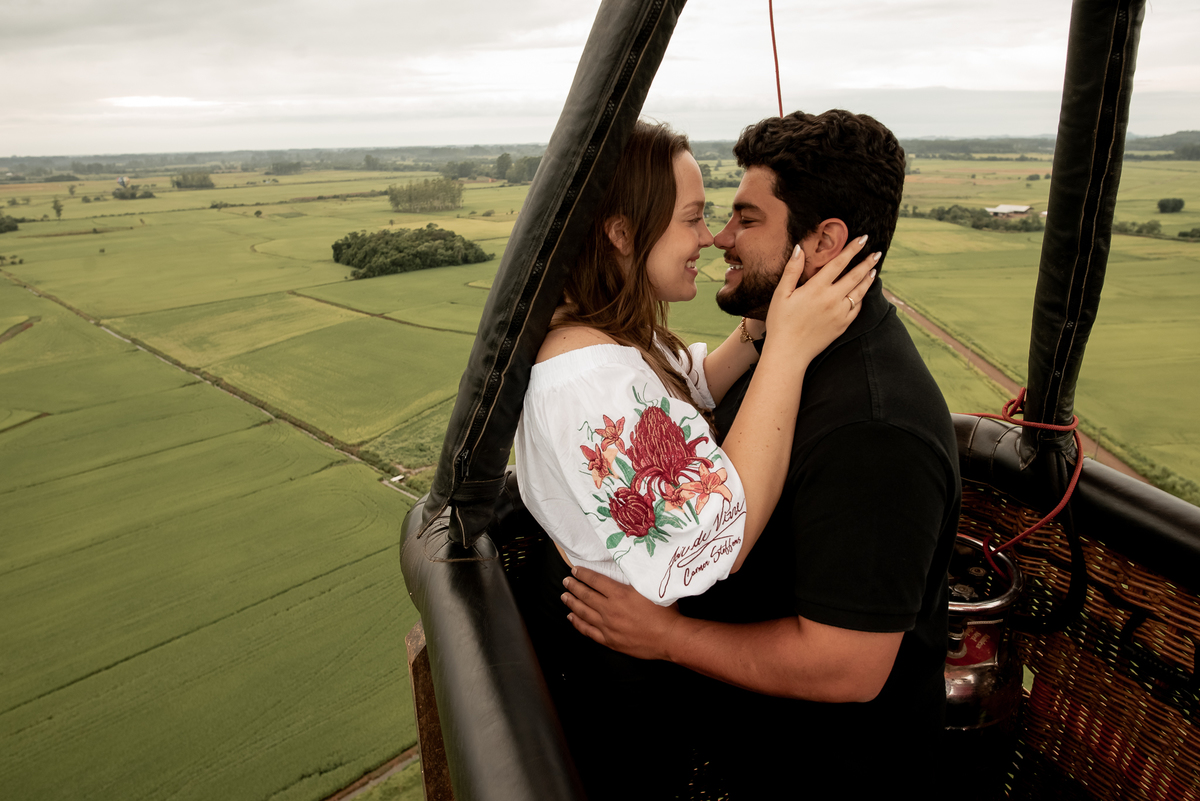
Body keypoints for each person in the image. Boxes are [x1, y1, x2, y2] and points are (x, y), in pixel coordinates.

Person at [561, 110, 962, 797]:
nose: (719, 236)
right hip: (759, 749)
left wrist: (666, 637)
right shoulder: (783, 349)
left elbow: (847, 666)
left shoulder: (874, 429)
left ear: (824, 242)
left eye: (746, 219)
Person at [513, 119, 876, 799]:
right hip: (617, 674)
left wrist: (759, 328)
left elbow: (690, 383)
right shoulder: (585, 382)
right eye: (692, 218)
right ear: (622, 234)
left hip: (627, 649)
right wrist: (790, 352)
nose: (709, 237)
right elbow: (715, 542)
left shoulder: (614, 333)